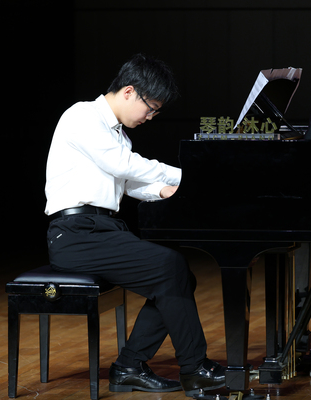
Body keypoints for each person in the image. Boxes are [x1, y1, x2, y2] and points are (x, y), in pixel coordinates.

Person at [44, 53, 225, 396]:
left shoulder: (118, 136)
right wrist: (188, 175)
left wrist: (164, 190)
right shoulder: (82, 115)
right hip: (74, 235)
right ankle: (194, 368)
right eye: (150, 108)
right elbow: (123, 165)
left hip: (102, 231)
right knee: (171, 266)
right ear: (129, 92)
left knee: (177, 274)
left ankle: (129, 367)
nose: (150, 117)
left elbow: (129, 182)